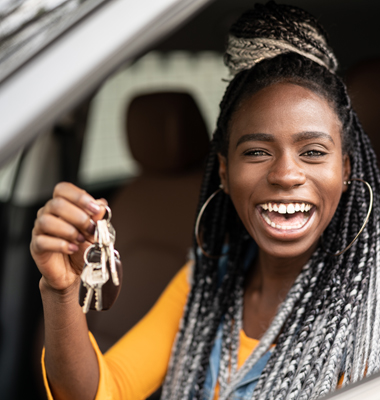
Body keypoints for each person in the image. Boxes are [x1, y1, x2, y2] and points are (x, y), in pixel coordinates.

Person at [30, 2, 380, 400]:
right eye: (257, 152)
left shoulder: (371, 309)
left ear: (347, 169)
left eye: (313, 152)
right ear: (225, 174)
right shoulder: (206, 282)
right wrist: (60, 292)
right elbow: (103, 392)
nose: (286, 174)